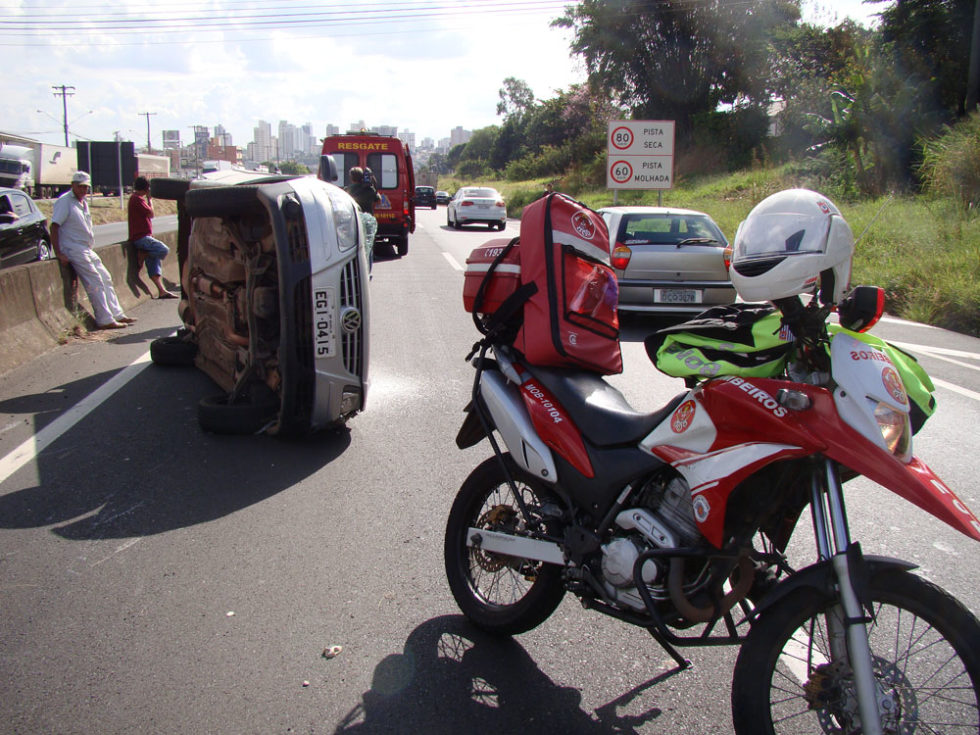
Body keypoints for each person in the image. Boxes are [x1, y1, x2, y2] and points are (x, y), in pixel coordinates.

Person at [51, 171, 136, 330]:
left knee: (106, 277)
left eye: (86, 187)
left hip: (85, 247)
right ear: (73, 185)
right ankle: (104, 319)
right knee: (95, 280)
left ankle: (117, 314)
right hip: (73, 247)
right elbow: (54, 226)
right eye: (80, 186)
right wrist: (59, 253)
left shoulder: (82, 202)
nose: (83, 190)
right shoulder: (65, 202)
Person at [128, 176, 178, 299]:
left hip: (144, 236)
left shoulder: (136, 199)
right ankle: (144, 254)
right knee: (163, 250)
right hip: (141, 237)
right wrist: (150, 200)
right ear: (146, 189)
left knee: (154, 265)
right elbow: (151, 214)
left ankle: (162, 290)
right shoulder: (137, 199)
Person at [346, 166, 381, 272]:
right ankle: (367, 272)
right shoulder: (369, 189)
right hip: (367, 223)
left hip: (353, 223)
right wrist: (373, 187)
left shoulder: (348, 189)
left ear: (351, 178)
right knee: (368, 247)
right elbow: (378, 201)